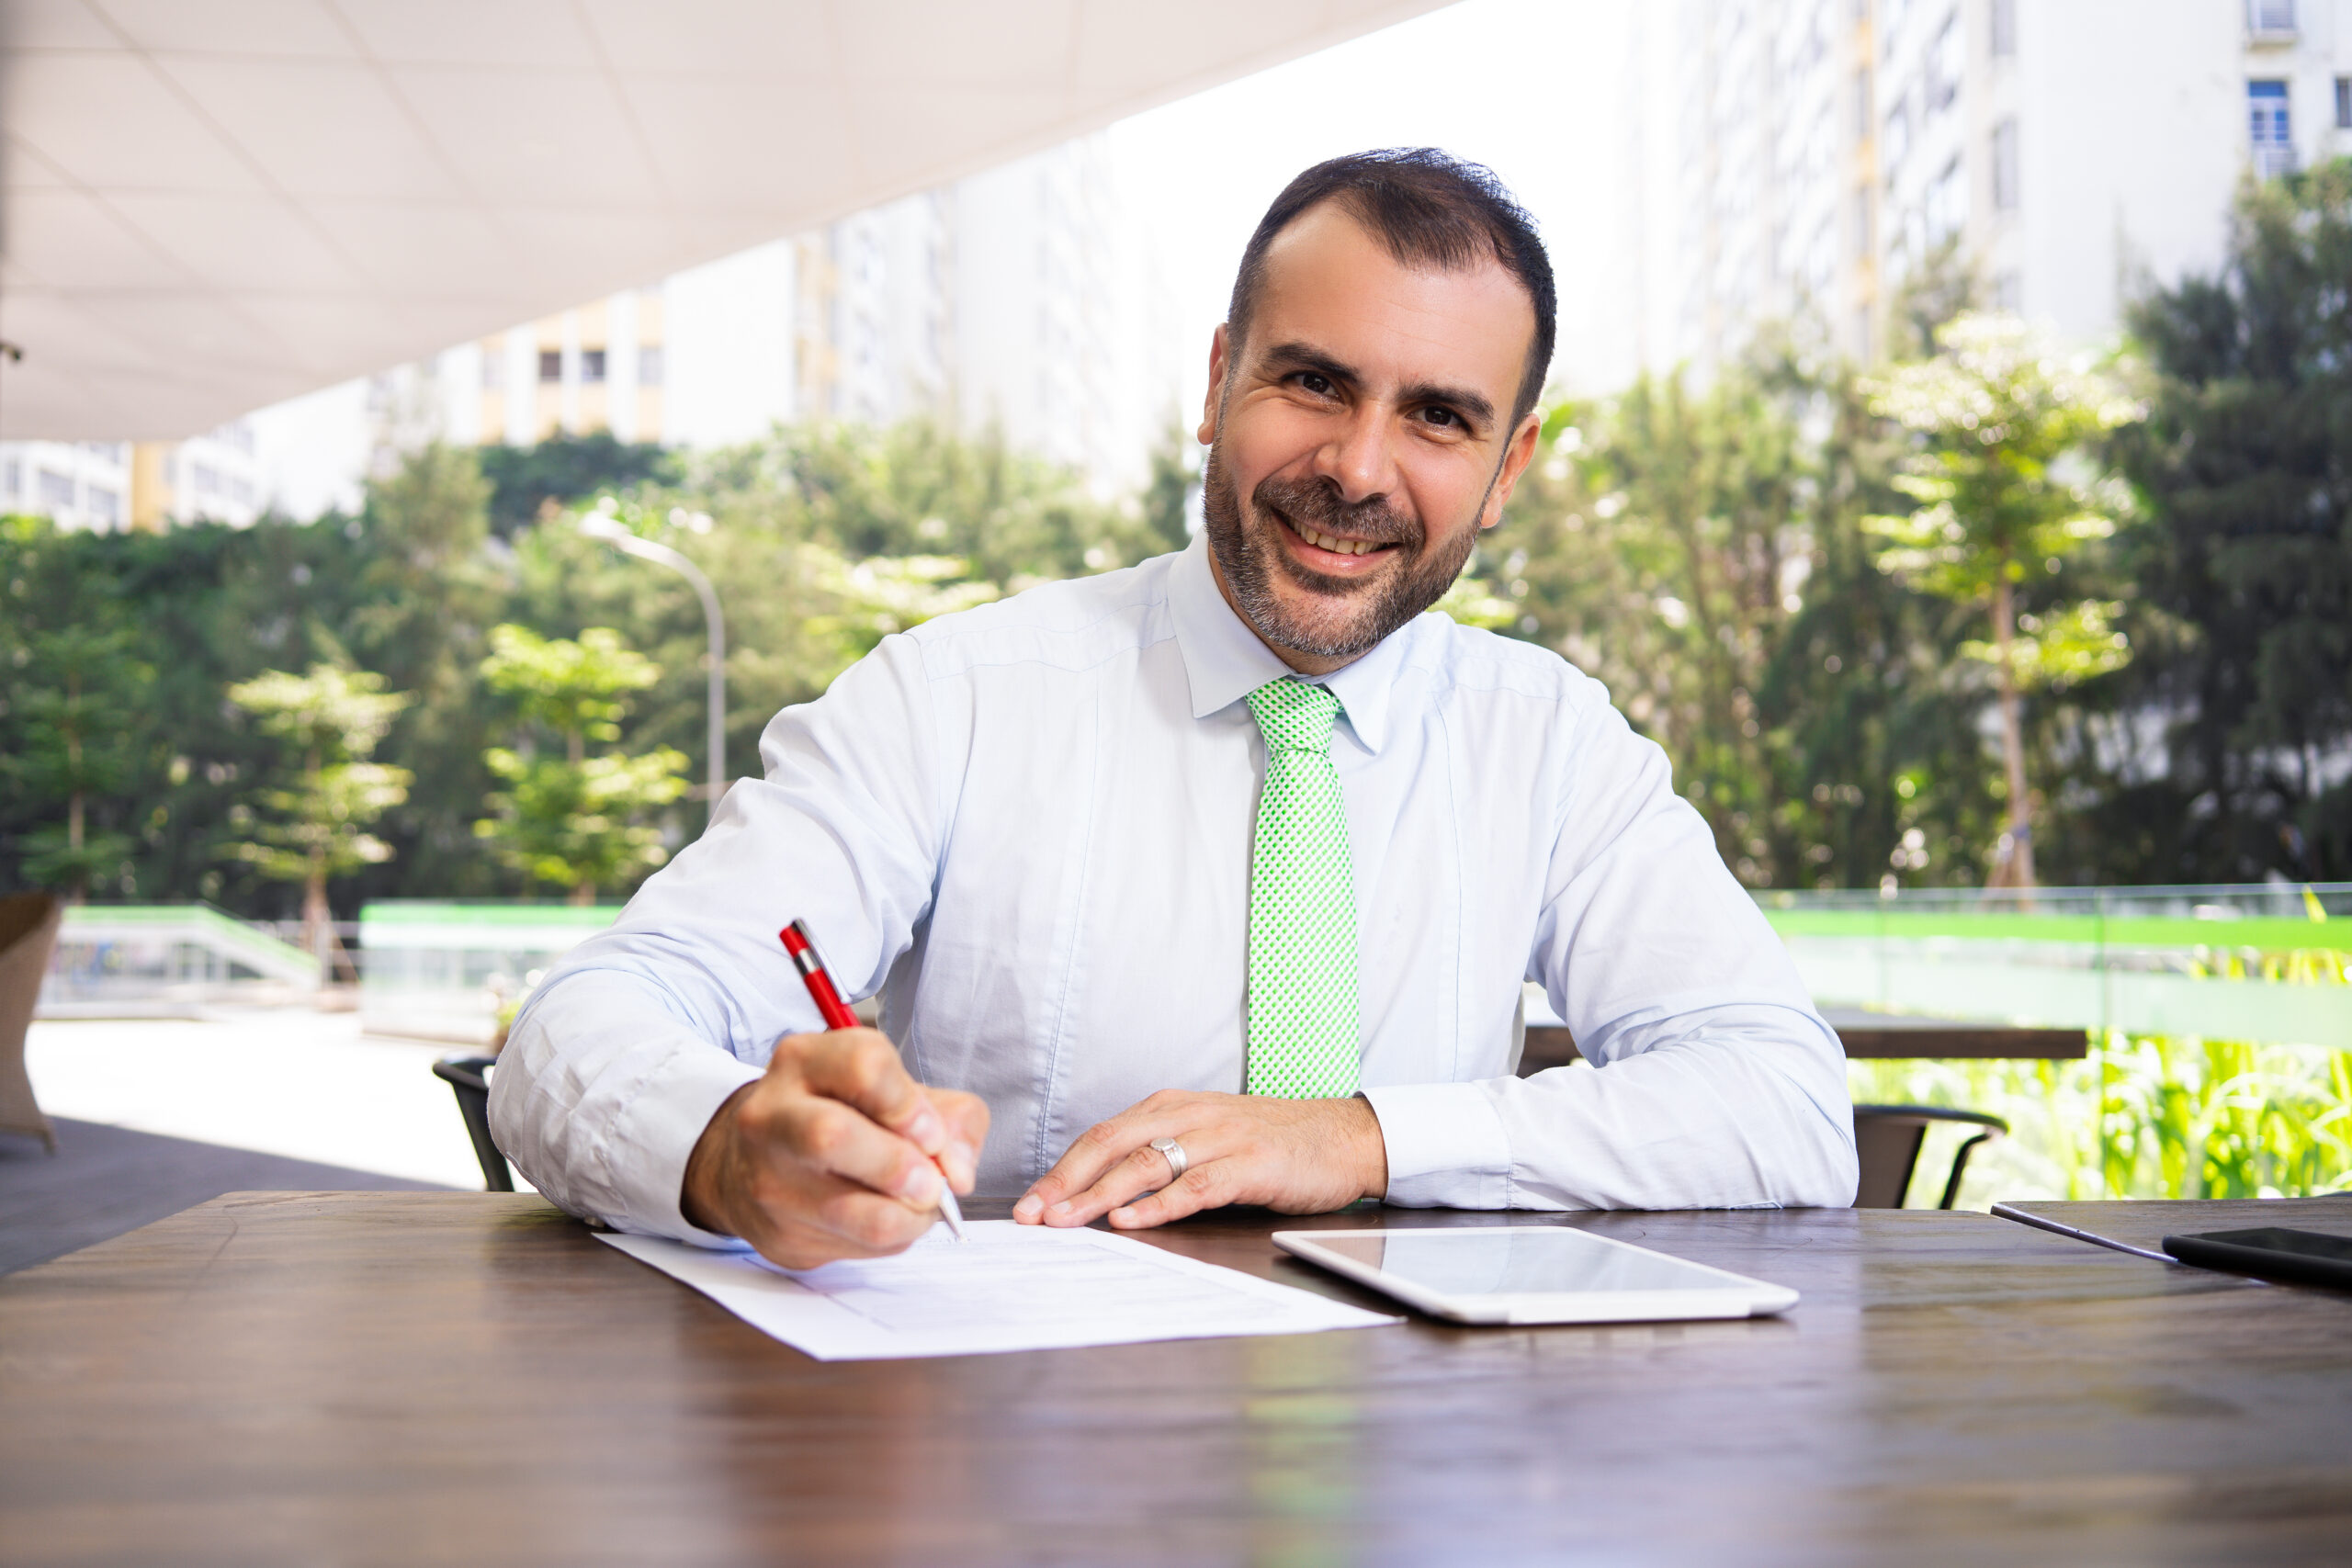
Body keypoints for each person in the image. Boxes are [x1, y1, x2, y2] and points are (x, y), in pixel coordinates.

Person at [491, 149, 1857, 1269]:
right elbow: (584, 1024)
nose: (1357, 468)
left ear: (1508, 470)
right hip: (1012, 1454)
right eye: (1314, 381)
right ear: (1217, 384)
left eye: (1439, 417)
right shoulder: (954, 697)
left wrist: (1362, 1138)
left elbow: (1784, 1106)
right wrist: (728, 1147)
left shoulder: (1554, 746)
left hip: (1426, 1459)